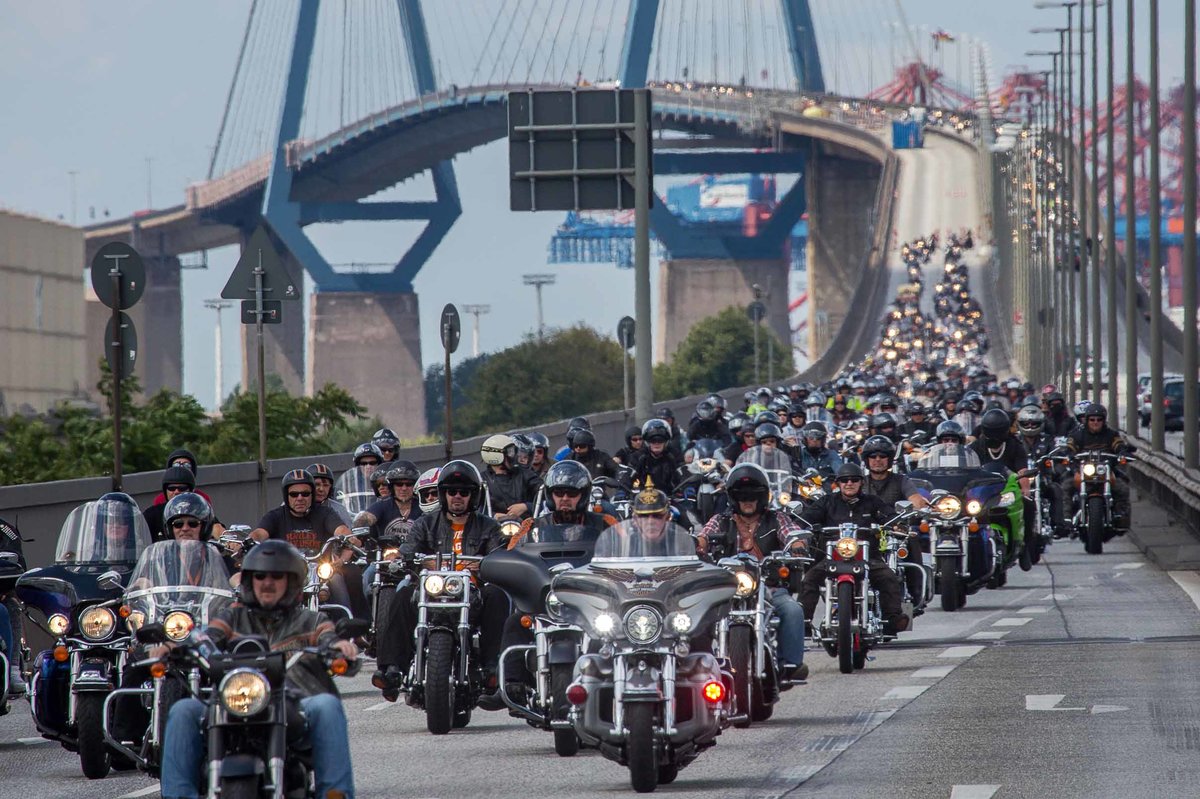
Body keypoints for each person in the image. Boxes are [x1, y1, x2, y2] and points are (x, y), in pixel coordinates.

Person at [159, 540, 356, 799]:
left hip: (296, 703)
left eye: (277, 576)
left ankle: (335, 793)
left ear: (293, 582)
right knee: (184, 710)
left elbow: (328, 639)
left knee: (327, 706)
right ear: (249, 581)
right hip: (234, 701)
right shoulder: (232, 617)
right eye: (260, 576)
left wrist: (340, 647)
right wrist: (173, 647)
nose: (267, 582)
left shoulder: (312, 620)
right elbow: (206, 638)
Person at [373, 461, 507, 702]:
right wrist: (410, 560)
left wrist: (485, 564)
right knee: (401, 594)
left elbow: (500, 554)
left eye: (463, 492)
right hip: (431, 590)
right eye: (451, 491)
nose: (457, 496)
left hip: (472, 591)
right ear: (443, 494)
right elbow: (408, 550)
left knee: (497, 595)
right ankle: (392, 669)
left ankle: (492, 666)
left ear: (472, 495)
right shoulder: (425, 524)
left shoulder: (488, 526)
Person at [485, 461, 615, 708]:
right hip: (546, 598)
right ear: (550, 495)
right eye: (559, 493)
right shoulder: (531, 526)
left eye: (572, 493)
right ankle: (511, 686)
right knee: (516, 621)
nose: (565, 499)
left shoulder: (606, 523)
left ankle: (618, 680)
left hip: (594, 601)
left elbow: (625, 551)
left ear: (583, 495)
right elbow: (512, 553)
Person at [696, 464, 808, 681]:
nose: (747, 500)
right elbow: (705, 535)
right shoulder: (721, 520)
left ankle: (790, 664)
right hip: (726, 587)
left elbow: (792, 533)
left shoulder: (777, 519)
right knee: (696, 614)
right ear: (733, 498)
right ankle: (699, 663)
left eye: (753, 496)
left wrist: (797, 544)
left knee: (793, 610)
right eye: (742, 495)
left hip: (769, 585)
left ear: (762, 497)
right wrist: (697, 543)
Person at [799, 463, 909, 635]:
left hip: (868, 558)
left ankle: (892, 619)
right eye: (844, 480)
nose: (849, 483)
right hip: (832, 558)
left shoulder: (872, 502)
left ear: (861, 483)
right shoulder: (827, 502)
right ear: (838, 483)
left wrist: (897, 524)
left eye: (854, 480)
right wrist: (800, 527)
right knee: (809, 579)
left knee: (888, 577)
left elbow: (889, 515)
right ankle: (803, 622)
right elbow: (806, 518)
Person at [250, 470, 361, 616]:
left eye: (305, 494)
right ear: (286, 496)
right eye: (294, 494)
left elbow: (340, 529)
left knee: (336, 580)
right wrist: (248, 540)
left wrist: (349, 537)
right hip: (285, 570)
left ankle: (347, 628)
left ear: (312, 495)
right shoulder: (275, 516)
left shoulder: (325, 513)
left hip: (320, 572)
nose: (300, 498)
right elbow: (260, 533)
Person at [860, 436, 928, 608]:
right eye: (873, 456)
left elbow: (916, 500)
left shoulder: (901, 480)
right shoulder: (859, 482)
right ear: (867, 460)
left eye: (882, 456)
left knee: (912, 538)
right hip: (866, 531)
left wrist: (916, 508)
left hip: (896, 530)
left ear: (889, 459)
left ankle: (916, 592)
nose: (877, 460)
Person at [1062, 403, 1132, 533]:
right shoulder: (1077, 434)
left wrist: (1122, 453)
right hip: (1082, 471)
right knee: (1066, 486)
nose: (1095, 422)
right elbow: (1070, 447)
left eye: (1099, 419)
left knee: (1122, 487)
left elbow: (1119, 445)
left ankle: (1121, 515)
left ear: (1103, 420)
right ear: (1087, 420)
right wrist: (1068, 455)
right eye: (1092, 420)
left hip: (1106, 472)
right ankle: (1066, 518)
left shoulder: (1111, 435)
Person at [357, 460, 423, 540]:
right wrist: (360, 523)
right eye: (399, 484)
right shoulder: (382, 505)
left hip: (417, 551)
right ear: (392, 486)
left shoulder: (422, 506)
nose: (404, 488)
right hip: (386, 551)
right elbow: (368, 516)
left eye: (408, 484)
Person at [480, 434, 542, 518]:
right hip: (492, 529)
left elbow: (546, 495)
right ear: (496, 455)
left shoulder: (525, 474)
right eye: (510, 453)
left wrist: (526, 506)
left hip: (526, 527)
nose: (515, 456)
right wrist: (493, 516)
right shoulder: (481, 480)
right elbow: (472, 508)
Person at [144, 465, 199, 542]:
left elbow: (218, 530)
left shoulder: (200, 510)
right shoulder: (152, 514)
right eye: (171, 488)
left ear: (190, 490)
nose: (176, 492)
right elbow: (139, 539)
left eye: (182, 488)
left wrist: (221, 545)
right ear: (165, 491)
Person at [628, 419, 684, 494]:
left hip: (671, 498)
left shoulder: (675, 455)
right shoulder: (638, 456)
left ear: (666, 441)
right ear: (647, 441)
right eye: (653, 440)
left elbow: (684, 473)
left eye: (660, 440)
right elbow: (628, 474)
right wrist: (621, 491)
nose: (657, 443)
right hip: (643, 499)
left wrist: (689, 489)